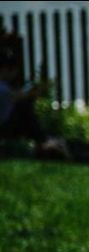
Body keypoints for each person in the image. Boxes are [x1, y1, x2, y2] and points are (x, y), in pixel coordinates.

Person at [0, 30, 67, 158]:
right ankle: (43, 140)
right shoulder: (3, 87)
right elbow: (15, 96)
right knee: (24, 107)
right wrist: (35, 91)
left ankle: (42, 139)